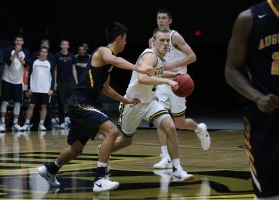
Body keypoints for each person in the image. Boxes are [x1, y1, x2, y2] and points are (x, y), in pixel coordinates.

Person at [36, 21, 153, 192]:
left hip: (82, 104)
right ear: (119, 38)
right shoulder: (103, 51)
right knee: (112, 131)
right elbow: (115, 59)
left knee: (76, 149)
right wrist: (140, 69)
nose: (126, 43)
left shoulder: (108, 64)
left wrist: (125, 100)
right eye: (125, 39)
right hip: (80, 102)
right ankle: (99, 179)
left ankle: (50, 169)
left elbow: (106, 88)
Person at [110, 27, 194, 182]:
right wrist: (168, 81)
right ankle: (104, 151)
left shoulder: (159, 58)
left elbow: (157, 72)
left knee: (170, 126)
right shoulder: (150, 55)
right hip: (132, 103)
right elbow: (143, 78)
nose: (165, 43)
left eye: (167, 40)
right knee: (125, 141)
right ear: (153, 42)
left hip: (150, 102)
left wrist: (175, 75)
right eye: (161, 40)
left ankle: (177, 169)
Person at [225, 0, 279, 199]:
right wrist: (257, 97)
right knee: (268, 194)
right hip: (265, 117)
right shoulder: (249, 19)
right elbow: (231, 70)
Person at [149, 9, 211, 169]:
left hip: (178, 83)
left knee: (180, 123)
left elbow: (192, 56)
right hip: (162, 83)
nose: (160, 20)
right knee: (160, 119)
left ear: (170, 21)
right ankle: (165, 156)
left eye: (164, 18)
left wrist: (172, 66)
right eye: (158, 18)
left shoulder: (175, 36)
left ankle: (199, 128)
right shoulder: (153, 40)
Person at [0, 35, 30, 131]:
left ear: (23, 42)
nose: (18, 42)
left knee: (18, 102)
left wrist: (19, 56)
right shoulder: (9, 50)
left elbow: (26, 64)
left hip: (18, 81)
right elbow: (8, 62)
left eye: (20, 40)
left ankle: (15, 123)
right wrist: (15, 53)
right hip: (7, 80)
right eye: (17, 40)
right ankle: (2, 123)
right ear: (14, 42)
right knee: (4, 101)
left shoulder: (26, 52)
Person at [22, 46, 55, 131]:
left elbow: (52, 77)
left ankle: (41, 124)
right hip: (34, 89)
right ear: (39, 53)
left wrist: (51, 89)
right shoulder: (34, 62)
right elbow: (30, 76)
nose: (43, 53)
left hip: (45, 90)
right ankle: (26, 124)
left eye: (45, 52)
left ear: (47, 54)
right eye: (42, 51)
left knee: (44, 106)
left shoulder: (50, 63)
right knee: (31, 106)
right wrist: (29, 88)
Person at [55, 39, 78, 129]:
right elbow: (55, 70)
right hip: (60, 82)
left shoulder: (72, 55)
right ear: (61, 46)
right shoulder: (57, 55)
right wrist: (55, 83)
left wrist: (76, 82)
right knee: (61, 102)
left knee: (73, 102)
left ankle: (73, 121)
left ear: (68, 46)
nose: (64, 46)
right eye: (63, 44)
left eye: (66, 44)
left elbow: (74, 69)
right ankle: (61, 122)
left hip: (71, 82)